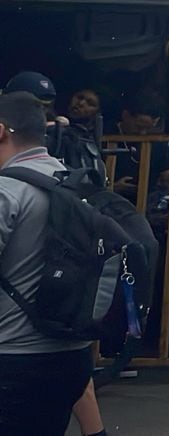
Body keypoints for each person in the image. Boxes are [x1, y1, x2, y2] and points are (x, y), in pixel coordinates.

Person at [0, 92, 100, 433]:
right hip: (73, 355)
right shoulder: (74, 181)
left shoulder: (7, 190)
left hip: (13, 358)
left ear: (0, 132)